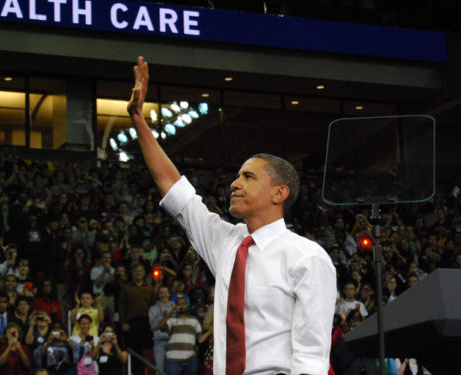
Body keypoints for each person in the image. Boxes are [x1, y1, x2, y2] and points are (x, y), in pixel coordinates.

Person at [127, 56, 336, 375]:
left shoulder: (307, 258)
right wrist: (138, 119)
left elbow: (311, 357)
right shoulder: (226, 242)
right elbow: (173, 186)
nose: (234, 183)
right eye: (237, 176)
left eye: (249, 177)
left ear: (279, 193)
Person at [156, 297, 202, 375]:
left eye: (183, 304)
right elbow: (159, 327)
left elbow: (200, 338)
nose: (181, 306)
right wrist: (170, 313)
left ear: (187, 306)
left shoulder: (194, 320)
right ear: (175, 306)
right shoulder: (171, 320)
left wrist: (196, 351)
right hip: (173, 358)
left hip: (190, 357)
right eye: (179, 304)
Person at [148, 285, 174, 374]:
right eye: (161, 293)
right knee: (159, 369)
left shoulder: (174, 306)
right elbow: (152, 327)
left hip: (173, 341)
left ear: (169, 294)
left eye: (165, 292)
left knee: (173, 369)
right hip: (159, 342)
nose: (163, 295)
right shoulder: (153, 309)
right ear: (158, 295)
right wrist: (160, 313)